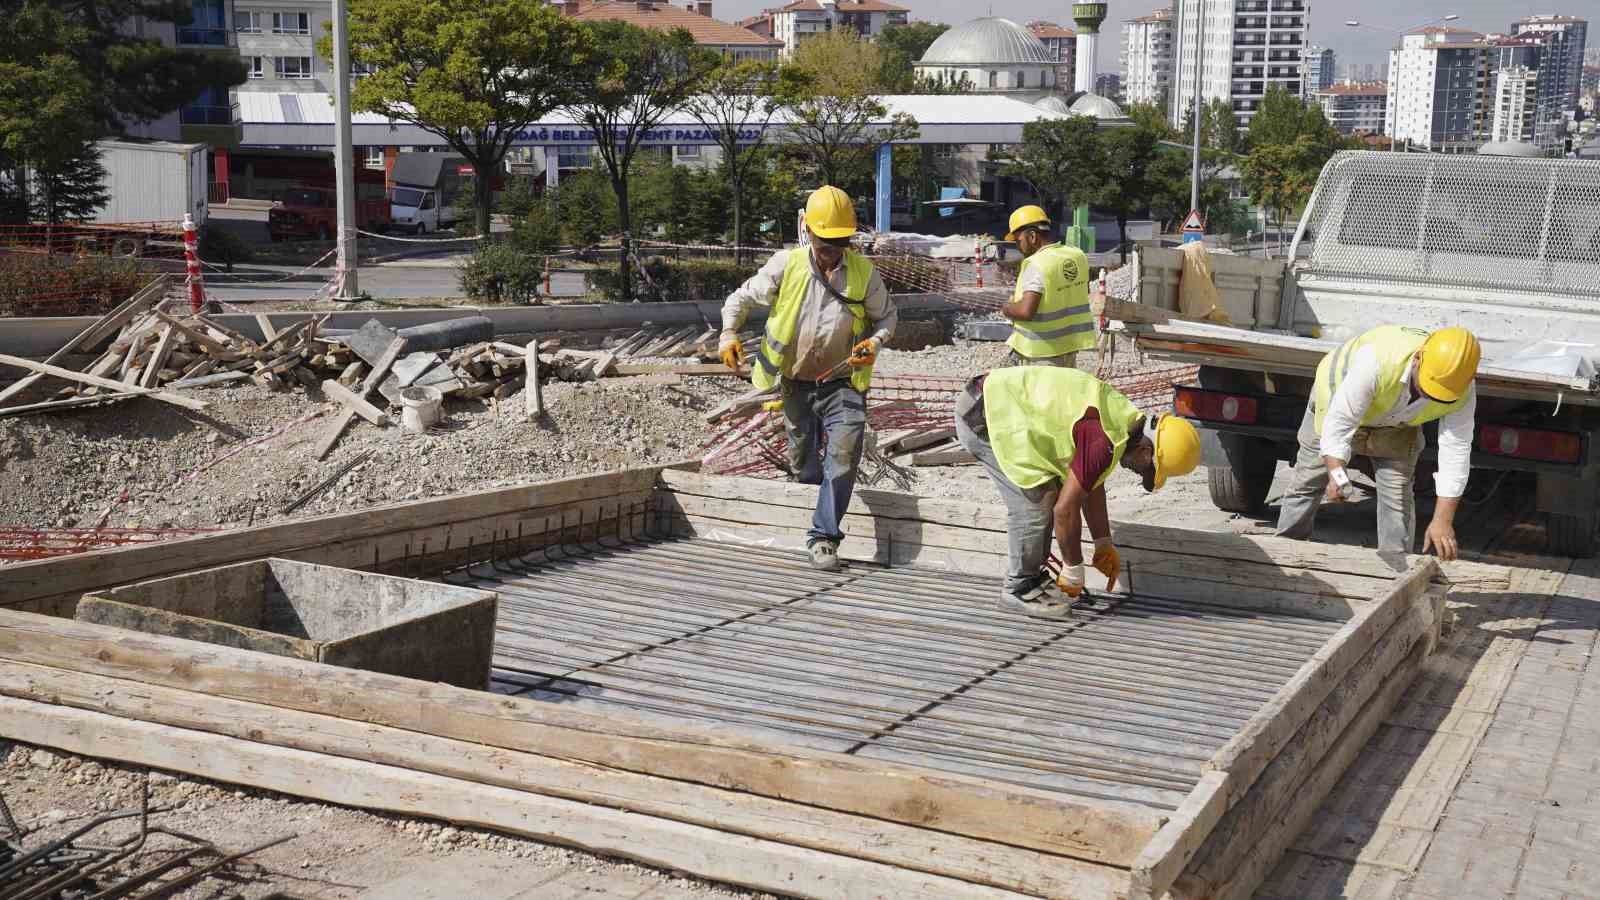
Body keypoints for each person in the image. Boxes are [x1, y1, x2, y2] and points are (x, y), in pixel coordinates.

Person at [718, 186, 897, 571]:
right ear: (808, 231)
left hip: (843, 383)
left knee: (845, 452)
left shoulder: (864, 274)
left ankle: (824, 537)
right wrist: (728, 334)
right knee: (804, 464)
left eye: (840, 241)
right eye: (825, 240)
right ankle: (809, 509)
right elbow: (740, 299)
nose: (832, 248)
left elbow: (887, 318)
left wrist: (875, 341)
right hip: (795, 384)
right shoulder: (788, 265)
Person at [955, 366, 1201, 618]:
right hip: (984, 415)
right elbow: (1065, 510)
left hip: (997, 404)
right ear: (1146, 452)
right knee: (1038, 502)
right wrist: (1073, 569)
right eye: (1148, 471)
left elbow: (1091, 484)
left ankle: (1032, 578)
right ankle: (1018, 586)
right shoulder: (1103, 441)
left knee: (1055, 492)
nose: (1141, 475)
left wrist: (1102, 541)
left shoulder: (1120, 422)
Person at [1276, 325, 1481, 561]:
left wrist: (1442, 521)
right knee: (1308, 482)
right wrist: (1339, 476)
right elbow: (1338, 425)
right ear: (1417, 359)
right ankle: (1284, 557)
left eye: (1438, 395)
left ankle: (1395, 573)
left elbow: (1456, 452)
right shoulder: (1376, 362)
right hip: (1336, 401)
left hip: (1396, 422)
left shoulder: (1462, 388)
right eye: (1427, 388)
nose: (1428, 397)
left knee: (1397, 500)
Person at [999, 205, 1095, 368]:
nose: (1017, 246)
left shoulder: (1037, 263)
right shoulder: (1077, 255)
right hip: (1070, 348)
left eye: (1018, 240)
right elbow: (1079, 293)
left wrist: (1007, 308)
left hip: (1041, 353)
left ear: (1032, 236)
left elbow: (1025, 311)